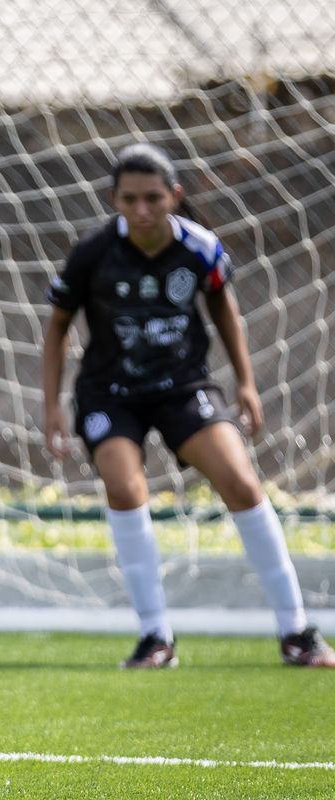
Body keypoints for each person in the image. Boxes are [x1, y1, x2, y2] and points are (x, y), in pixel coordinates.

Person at [43, 143, 334, 669]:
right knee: (124, 487)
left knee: (241, 482)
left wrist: (245, 382)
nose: (141, 210)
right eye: (129, 199)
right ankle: (155, 636)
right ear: (114, 200)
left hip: (182, 387)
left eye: (153, 198)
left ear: (174, 196)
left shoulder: (200, 247)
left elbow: (222, 305)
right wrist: (52, 406)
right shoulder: (92, 254)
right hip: (110, 392)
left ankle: (297, 632)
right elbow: (58, 326)